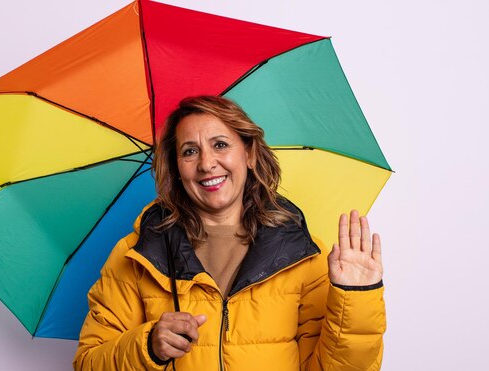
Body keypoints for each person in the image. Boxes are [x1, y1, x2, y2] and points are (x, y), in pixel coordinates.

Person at [73, 96, 385, 370]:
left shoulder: (302, 254)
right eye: (189, 151)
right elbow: (88, 363)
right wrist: (148, 347)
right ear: (176, 167)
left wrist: (356, 301)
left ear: (248, 154)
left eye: (220, 145)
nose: (207, 163)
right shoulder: (138, 255)